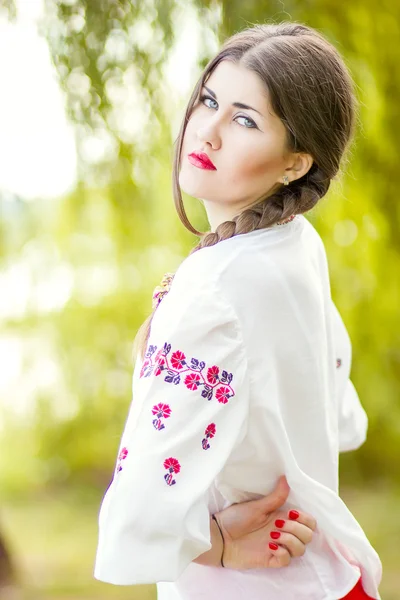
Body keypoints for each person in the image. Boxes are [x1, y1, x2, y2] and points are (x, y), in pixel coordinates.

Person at [93, 20, 382, 600]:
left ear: (295, 164)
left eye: (245, 120)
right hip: (330, 577)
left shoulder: (210, 292)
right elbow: (338, 412)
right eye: (209, 102)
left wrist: (220, 545)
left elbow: (138, 511)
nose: (208, 132)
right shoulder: (296, 242)